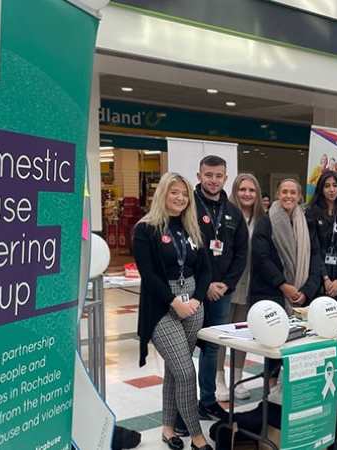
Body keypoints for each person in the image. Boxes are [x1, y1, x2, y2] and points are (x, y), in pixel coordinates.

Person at [133, 172, 213, 450]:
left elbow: (205, 270)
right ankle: (196, 435)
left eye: (184, 194)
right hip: (161, 308)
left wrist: (198, 299)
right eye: (174, 192)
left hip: (193, 305)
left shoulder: (191, 227)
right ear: (163, 194)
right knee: (186, 371)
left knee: (175, 370)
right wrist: (174, 302)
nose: (179, 198)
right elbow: (149, 275)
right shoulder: (146, 229)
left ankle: (168, 428)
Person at [190, 155, 249, 422]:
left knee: (212, 348)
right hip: (191, 292)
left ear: (225, 178)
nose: (213, 180)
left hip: (222, 293)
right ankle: (182, 405)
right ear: (199, 175)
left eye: (218, 176)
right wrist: (205, 286)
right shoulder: (187, 207)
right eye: (208, 175)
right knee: (184, 351)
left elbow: (240, 254)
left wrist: (226, 285)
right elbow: (184, 251)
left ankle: (208, 401)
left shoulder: (233, 212)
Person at [213, 173, 266, 402]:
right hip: (228, 282)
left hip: (250, 284)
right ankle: (219, 379)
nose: (247, 194)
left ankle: (237, 378)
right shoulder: (226, 215)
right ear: (235, 191)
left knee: (242, 333)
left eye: (252, 190)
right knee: (222, 333)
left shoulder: (262, 219)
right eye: (243, 189)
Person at [250, 178, 322, 310]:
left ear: (299, 197)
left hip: (302, 295)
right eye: (284, 192)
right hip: (270, 295)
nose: (288, 196)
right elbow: (261, 258)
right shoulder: (265, 221)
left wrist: (307, 291)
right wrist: (283, 285)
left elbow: (315, 257)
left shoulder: (307, 223)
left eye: (293, 192)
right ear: (278, 194)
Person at [307, 171, 337, 305]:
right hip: (317, 274)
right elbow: (314, 249)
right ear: (321, 189)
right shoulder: (312, 213)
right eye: (327, 186)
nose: (331, 189)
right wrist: (326, 278)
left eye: (335, 185)